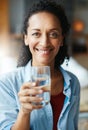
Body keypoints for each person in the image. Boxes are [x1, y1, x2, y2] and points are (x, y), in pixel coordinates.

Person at [0, 0, 80, 130]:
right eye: (36, 33)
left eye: (53, 34)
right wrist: (24, 112)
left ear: (61, 40)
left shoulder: (73, 82)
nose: (44, 42)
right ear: (26, 38)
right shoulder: (6, 83)